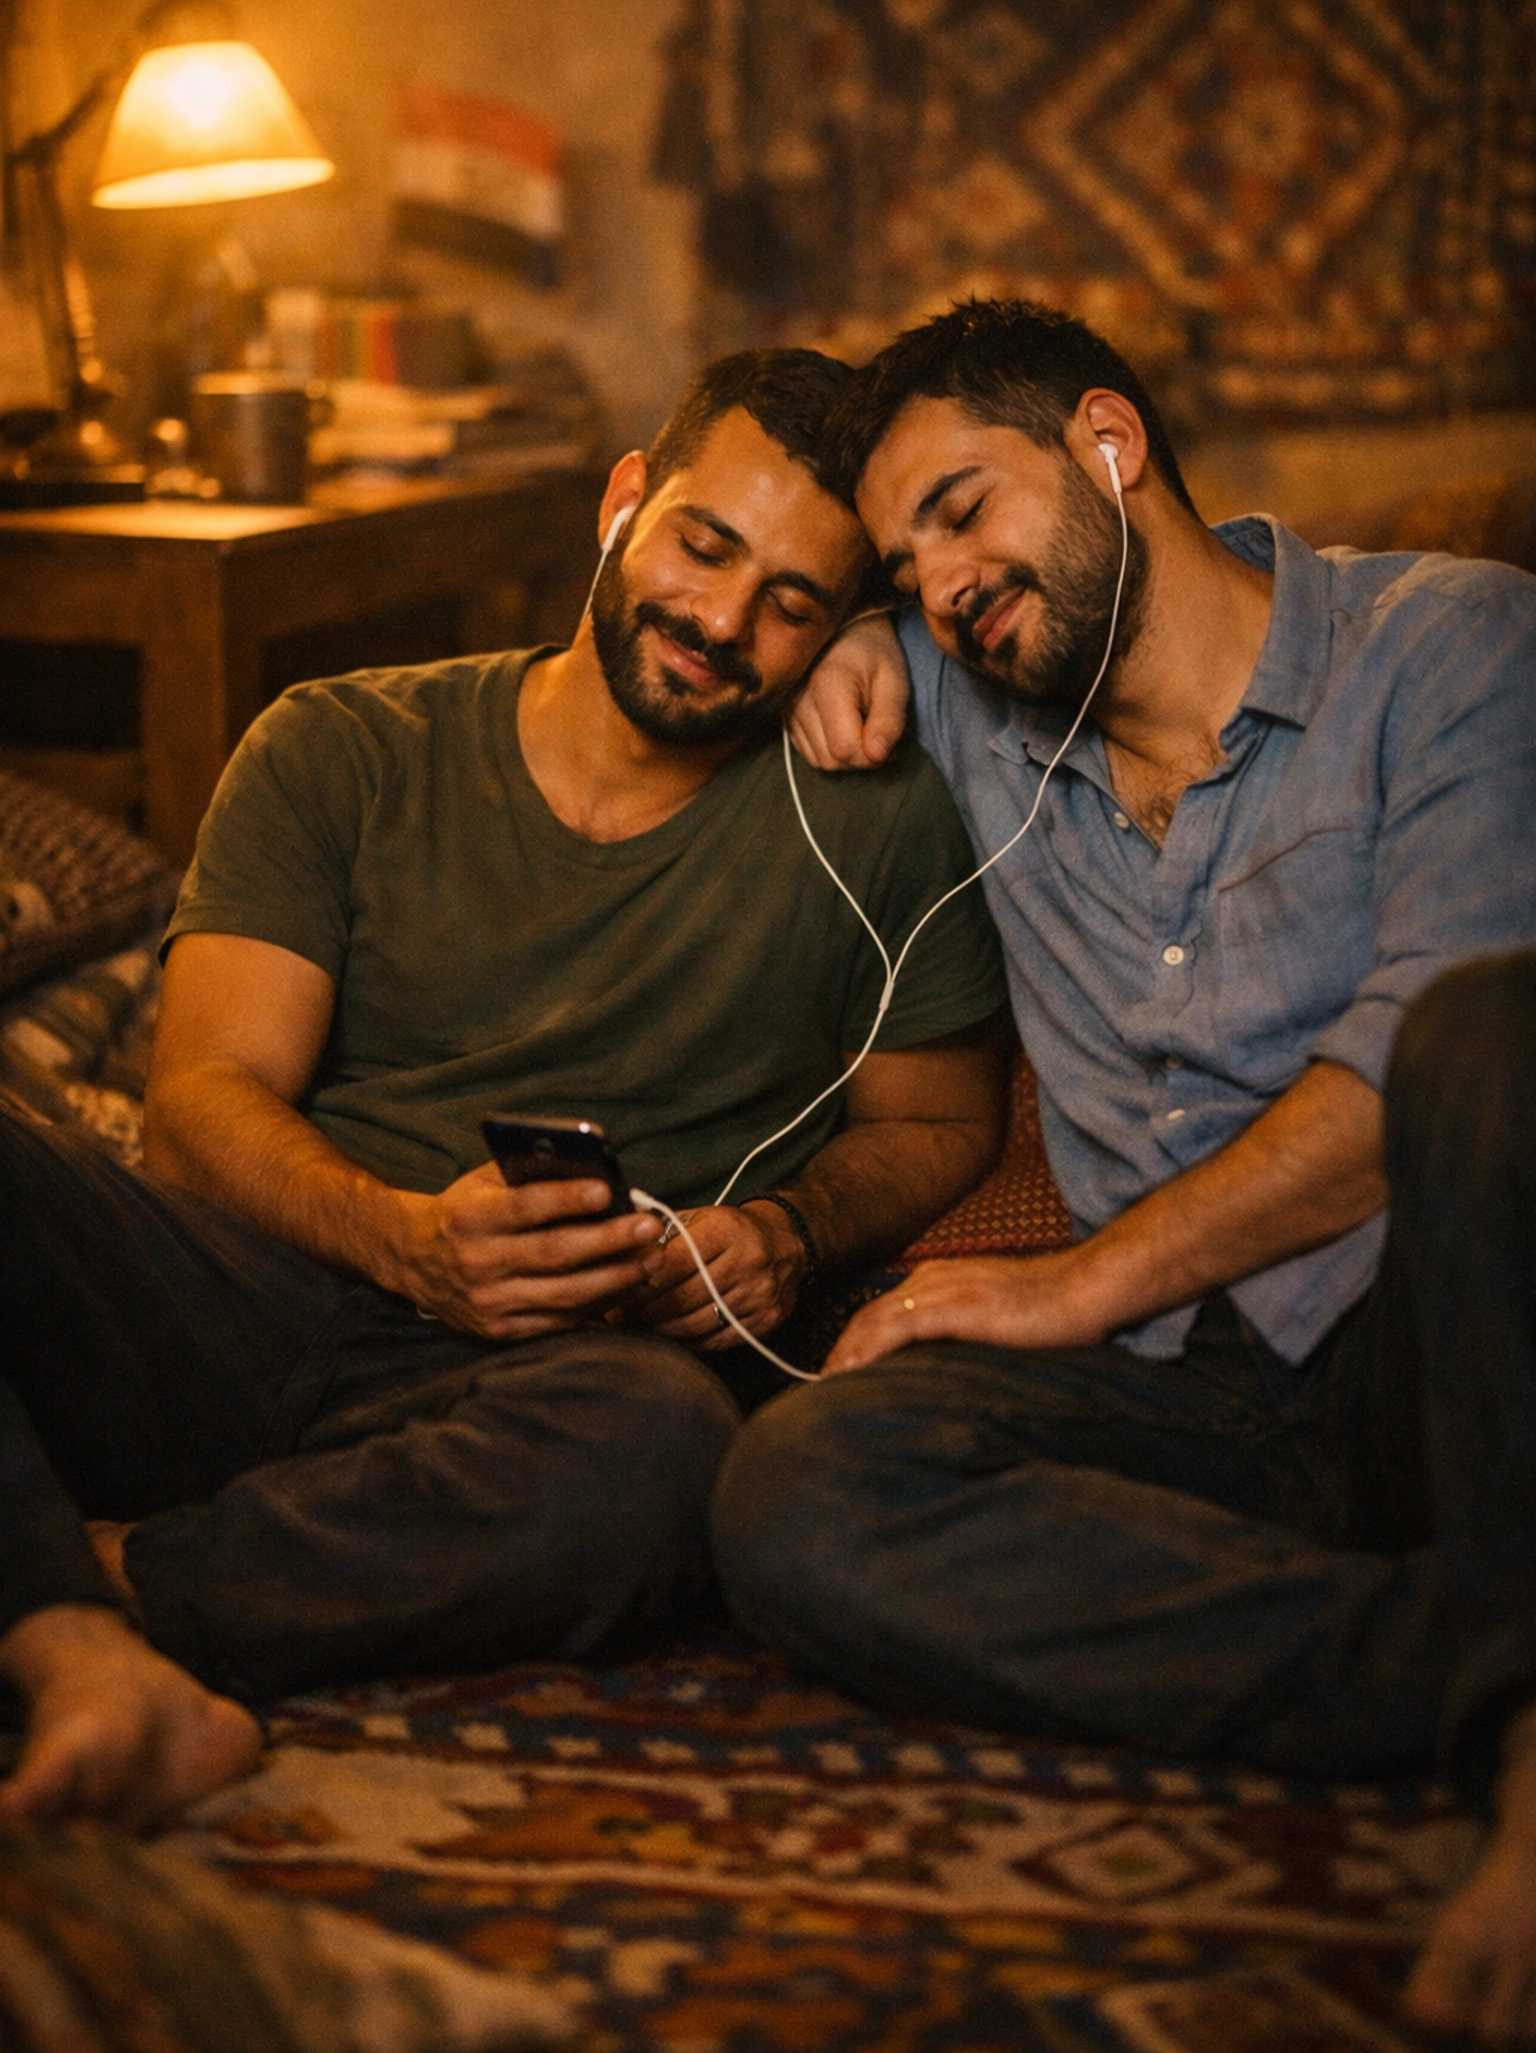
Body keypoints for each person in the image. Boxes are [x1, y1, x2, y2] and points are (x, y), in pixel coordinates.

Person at [0, 347, 1008, 1826]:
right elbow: (198, 1102)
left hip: (554, 1380)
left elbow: (943, 1123)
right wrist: (405, 1237)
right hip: (249, 1296)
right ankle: (82, 1635)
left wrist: (787, 1233)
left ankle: (95, 1592)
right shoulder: (341, 742)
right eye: (702, 544)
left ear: (847, 623)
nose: (724, 620)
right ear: (623, 507)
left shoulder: (879, 818)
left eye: (794, 601)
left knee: (670, 1460)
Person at [709, 301, 1536, 2042]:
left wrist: (1073, 1282)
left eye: (960, 509)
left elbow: (1416, 1071)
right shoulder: (961, 690)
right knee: (793, 1498)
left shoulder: (1450, 643)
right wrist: (852, 622)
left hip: (1432, 1350)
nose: (940, 583)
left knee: (1487, 1043)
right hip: (1184, 1403)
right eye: (900, 561)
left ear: (1106, 441)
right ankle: (1465, 1663)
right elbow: (756, 592)